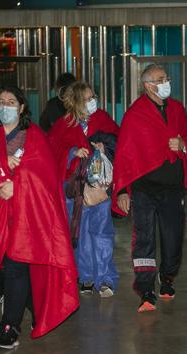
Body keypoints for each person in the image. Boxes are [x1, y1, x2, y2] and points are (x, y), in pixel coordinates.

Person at [0, 85, 79, 349]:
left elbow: (47, 177)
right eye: (2, 102)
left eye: (11, 102)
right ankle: (33, 308)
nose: (5, 106)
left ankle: (10, 326)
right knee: (12, 269)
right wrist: (1, 172)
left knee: (17, 266)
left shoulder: (35, 137)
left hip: (29, 216)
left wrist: (18, 185)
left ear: (21, 108)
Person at [112, 64, 187, 313]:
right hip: (144, 189)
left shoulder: (177, 109)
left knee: (173, 239)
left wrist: (183, 144)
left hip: (172, 188)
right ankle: (146, 289)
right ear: (148, 85)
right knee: (144, 240)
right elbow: (124, 155)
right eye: (161, 79)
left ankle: (167, 279)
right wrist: (121, 191)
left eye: (167, 78)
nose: (166, 82)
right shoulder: (135, 115)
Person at [48, 81, 120, 298]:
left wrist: (105, 147)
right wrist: (72, 152)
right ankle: (86, 277)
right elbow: (52, 152)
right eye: (87, 98)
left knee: (102, 233)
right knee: (80, 234)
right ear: (76, 102)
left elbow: (119, 142)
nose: (92, 102)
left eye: (93, 97)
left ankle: (105, 278)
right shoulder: (63, 125)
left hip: (99, 187)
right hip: (74, 188)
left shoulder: (103, 119)